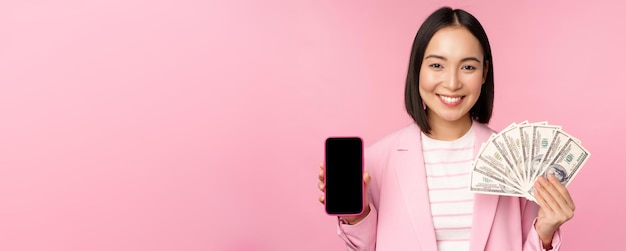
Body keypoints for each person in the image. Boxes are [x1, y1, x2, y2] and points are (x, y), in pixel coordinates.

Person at [317, 6, 575, 251]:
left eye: (468, 67)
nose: (452, 83)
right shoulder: (374, 163)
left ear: (484, 73)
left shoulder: (517, 161)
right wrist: (357, 215)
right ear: (417, 68)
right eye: (437, 65)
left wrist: (545, 232)